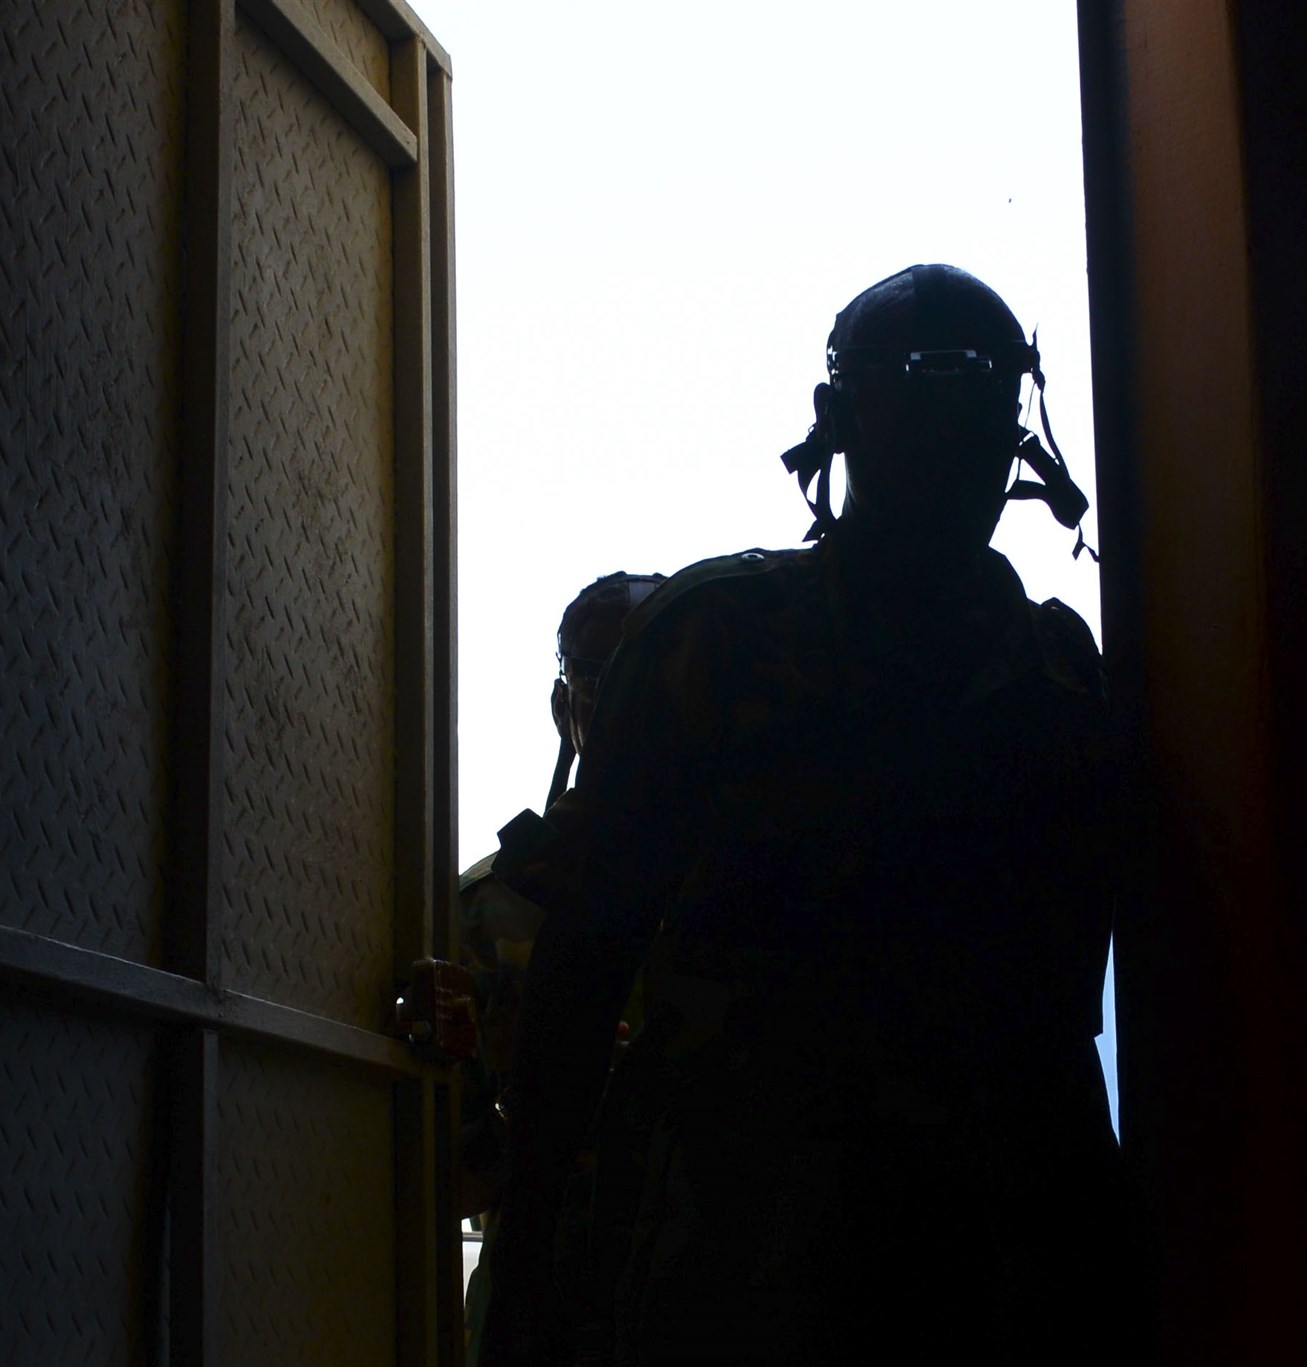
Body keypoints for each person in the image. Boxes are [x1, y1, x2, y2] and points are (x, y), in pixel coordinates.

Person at [480, 265, 1141, 1365]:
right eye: (927, 401)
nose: (956, 440)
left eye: (977, 409)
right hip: (759, 1243)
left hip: (964, 1247)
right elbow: (583, 967)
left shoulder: (1053, 669)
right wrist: (536, 1248)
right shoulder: (720, 638)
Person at [459, 571, 667, 1367]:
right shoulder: (490, 911)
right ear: (564, 704)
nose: (630, 711)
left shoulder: (740, 899)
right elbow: (428, 1168)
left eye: (652, 682)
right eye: (606, 681)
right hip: (542, 1295)